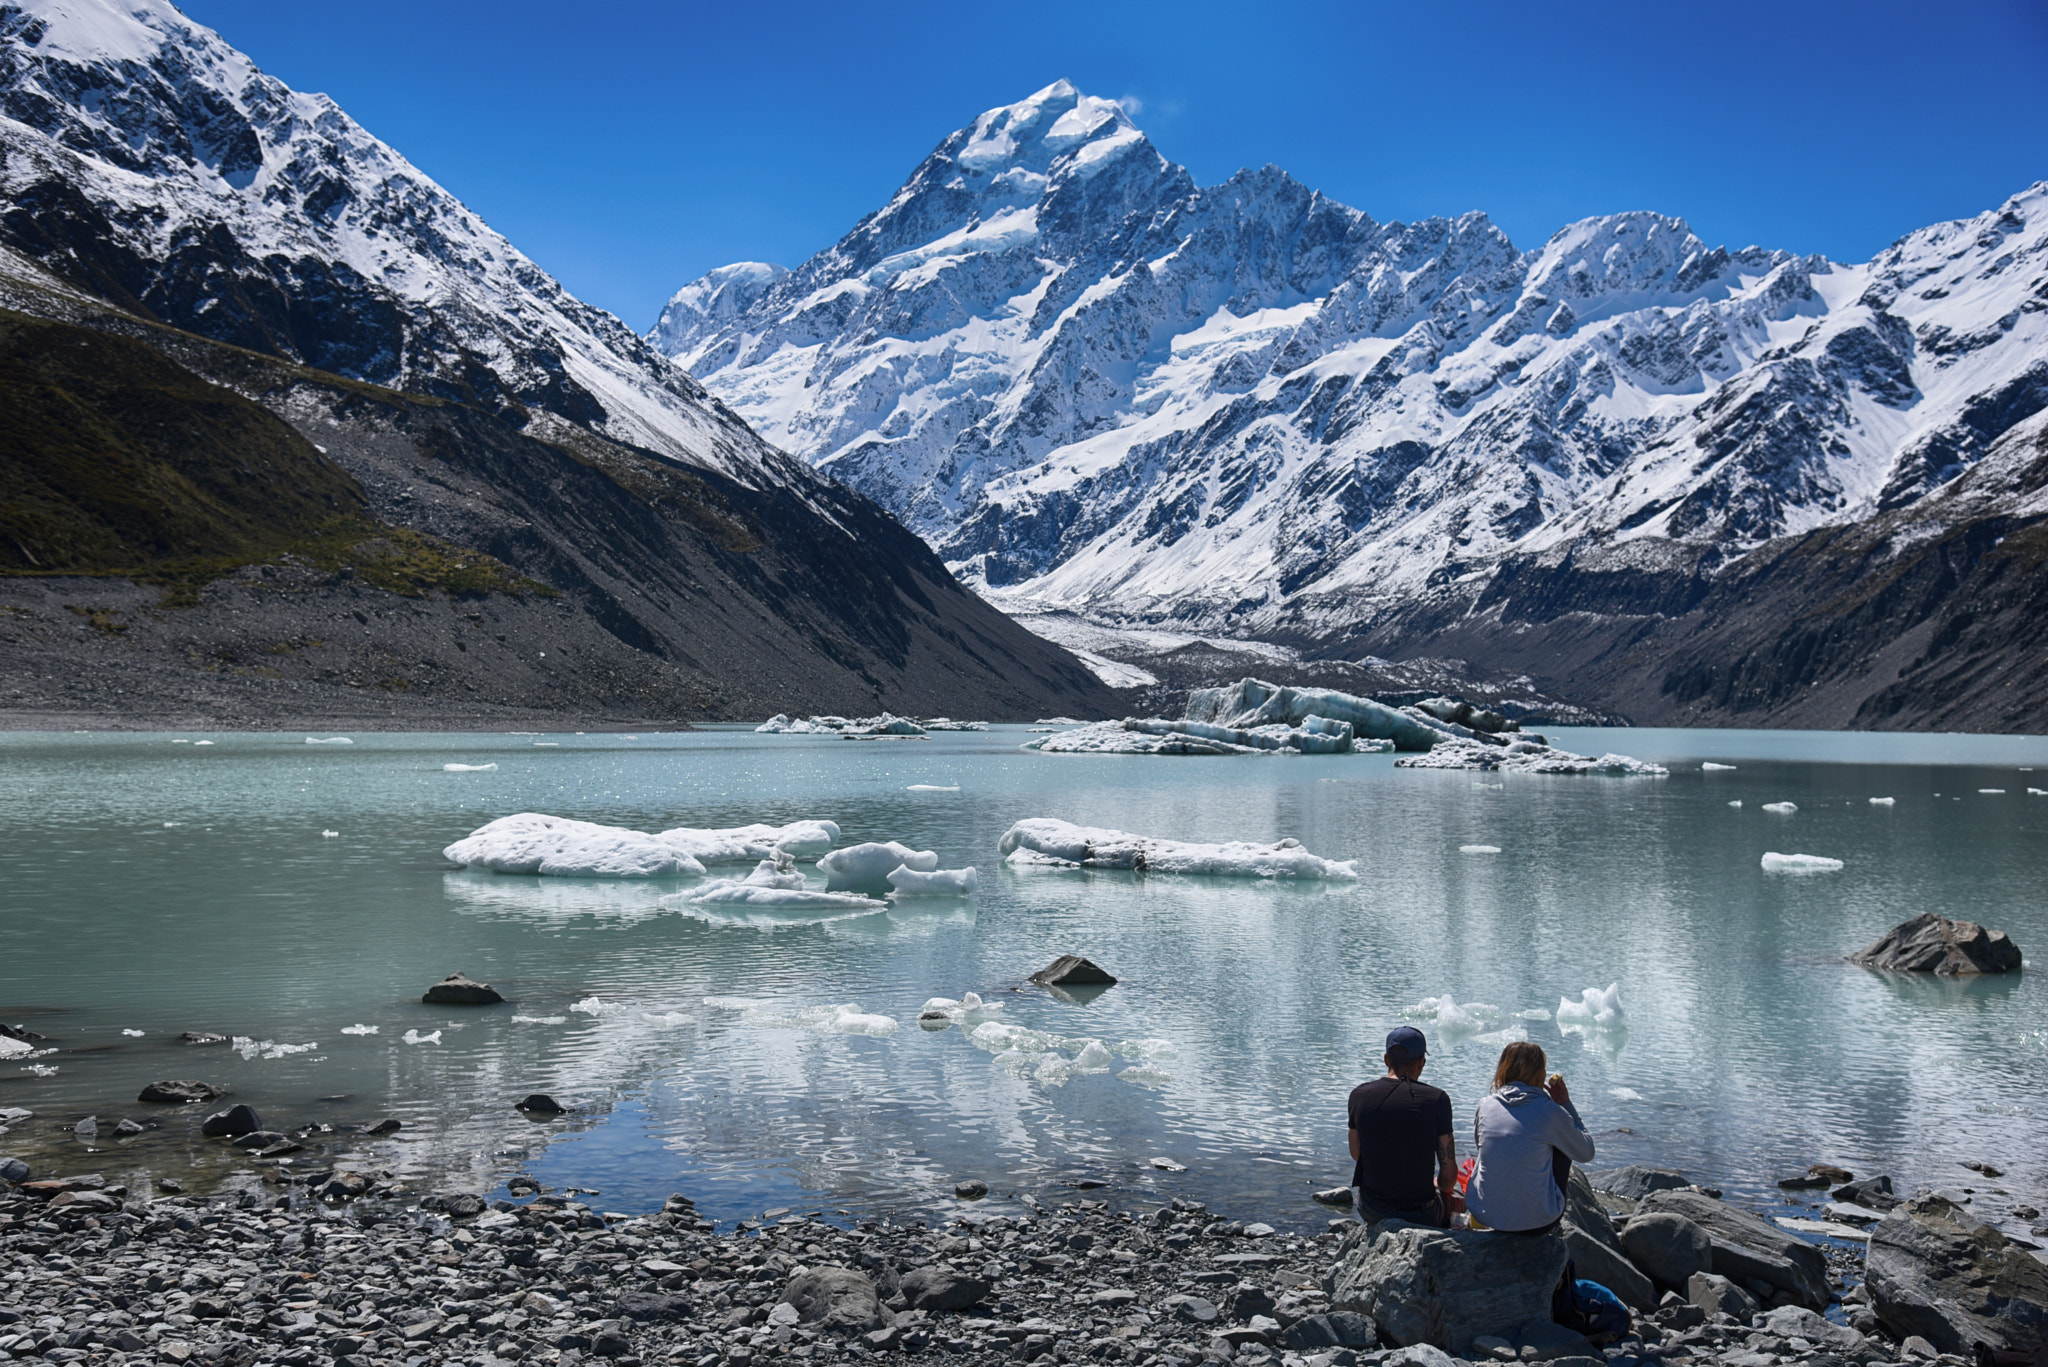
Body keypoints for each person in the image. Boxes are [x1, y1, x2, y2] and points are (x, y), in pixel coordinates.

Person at [1466, 1040, 1595, 1234]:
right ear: (1539, 1074)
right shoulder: (1549, 1111)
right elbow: (1586, 1152)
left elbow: (1481, 1146)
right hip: (1538, 1221)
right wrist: (1565, 1104)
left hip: (1486, 1214)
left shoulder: (1485, 1105)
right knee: (1561, 1143)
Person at [1347, 1025, 1456, 1226]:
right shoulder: (1437, 1099)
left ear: (1386, 1059)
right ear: (1422, 1062)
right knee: (1453, 1198)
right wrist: (1440, 1187)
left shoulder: (1358, 1096)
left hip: (1372, 1210)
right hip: (1421, 1214)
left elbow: (1357, 1153)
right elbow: (1448, 1177)